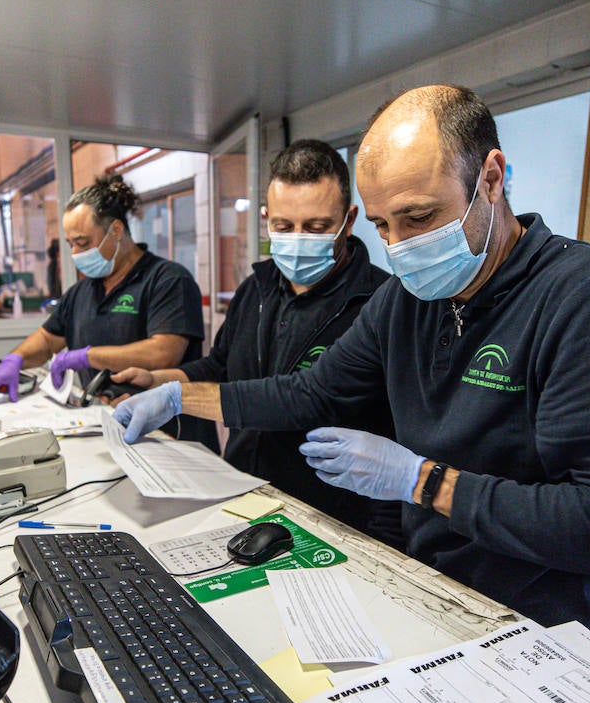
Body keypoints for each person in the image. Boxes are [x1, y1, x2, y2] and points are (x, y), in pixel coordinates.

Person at [115, 85, 590, 655]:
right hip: (434, 592)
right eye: (384, 226)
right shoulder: (408, 302)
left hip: (548, 630)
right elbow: (310, 393)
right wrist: (177, 397)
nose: (400, 248)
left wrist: (423, 482)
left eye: (419, 217)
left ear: (491, 179)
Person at [111, 140, 401, 544]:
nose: (298, 239)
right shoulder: (256, 289)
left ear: (348, 220)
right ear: (265, 219)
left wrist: (180, 396)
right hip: (241, 491)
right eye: (283, 226)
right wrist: (158, 379)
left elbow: (304, 397)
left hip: (330, 515)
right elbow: (220, 367)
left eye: (316, 227)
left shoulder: (378, 302)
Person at [0, 173, 213, 445]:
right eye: (71, 244)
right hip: (107, 424)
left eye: (83, 242)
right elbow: (47, 338)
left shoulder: (168, 280)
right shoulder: (82, 292)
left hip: (166, 432)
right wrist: (14, 360)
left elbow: (164, 353)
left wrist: (89, 357)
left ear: (115, 230)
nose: (76, 253)